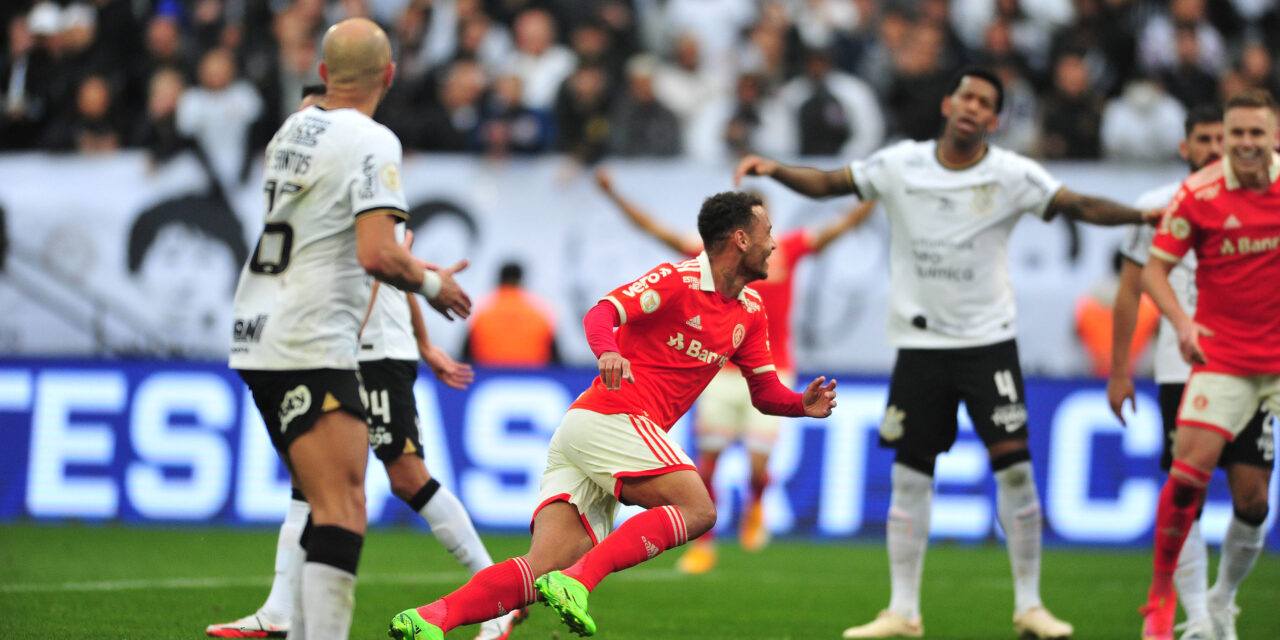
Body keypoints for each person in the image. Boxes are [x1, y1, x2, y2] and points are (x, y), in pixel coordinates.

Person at [733, 66, 1159, 640]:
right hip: (920, 346)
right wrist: (774, 170)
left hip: (989, 345)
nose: (973, 107)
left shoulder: (1011, 174)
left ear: (995, 118)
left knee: (1015, 470)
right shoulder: (899, 163)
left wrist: (1138, 216)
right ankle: (903, 612)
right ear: (947, 103)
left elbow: (1076, 203)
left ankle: (1030, 605)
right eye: (966, 96)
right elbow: (831, 182)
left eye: (985, 102)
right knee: (911, 477)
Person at [387, 191, 839, 640]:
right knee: (698, 509)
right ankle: (578, 583)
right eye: (767, 233)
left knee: (542, 566)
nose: (774, 244)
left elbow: (764, 392)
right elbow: (603, 312)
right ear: (740, 239)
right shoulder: (676, 281)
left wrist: (801, 404)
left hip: (592, 431)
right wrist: (607, 352)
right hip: (613, 415)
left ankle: (430, 619)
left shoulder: (751, 311)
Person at [209, 84, 516, 640]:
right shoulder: (325, 193)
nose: (306, 126)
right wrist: (426, 342)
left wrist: (393, 342)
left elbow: (384, 272)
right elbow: (399, 271)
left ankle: (497, 596)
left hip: (368, 355)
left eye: (314, 113)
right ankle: (279, 612)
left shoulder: (364, 181)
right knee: (310, 486)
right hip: (353, 350)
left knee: (406, 478)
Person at [594, 166, 873, 573]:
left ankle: (757, 503)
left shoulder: (788, 249)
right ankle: (703, 543)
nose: (770, 239)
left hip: (771, 369)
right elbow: (656, 230)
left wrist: (878, 192)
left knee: (759, 466)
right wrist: (614, 194)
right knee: (708, 465)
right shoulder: (707, 261)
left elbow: (841, 227)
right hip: (719, 372)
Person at [1107, 103, 1275, 640]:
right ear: (1194, 144)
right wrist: (1128, 362)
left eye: (1255, 133)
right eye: (1229, 134)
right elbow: (1138, 283)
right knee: (1188, 488)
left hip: (1269, 359)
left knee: (1252, 498)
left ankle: (1220, 600)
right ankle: (1188, 613)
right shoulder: (1178, 200)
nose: (1236, 144)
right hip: (1197, 361)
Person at [463, 261, 560, 367]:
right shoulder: (539, 312)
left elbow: (465, 354)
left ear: (499, 280)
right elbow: (556, 356)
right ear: (521, 280)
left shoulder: (482, 310)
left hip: (489, 374)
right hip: (532, 375)